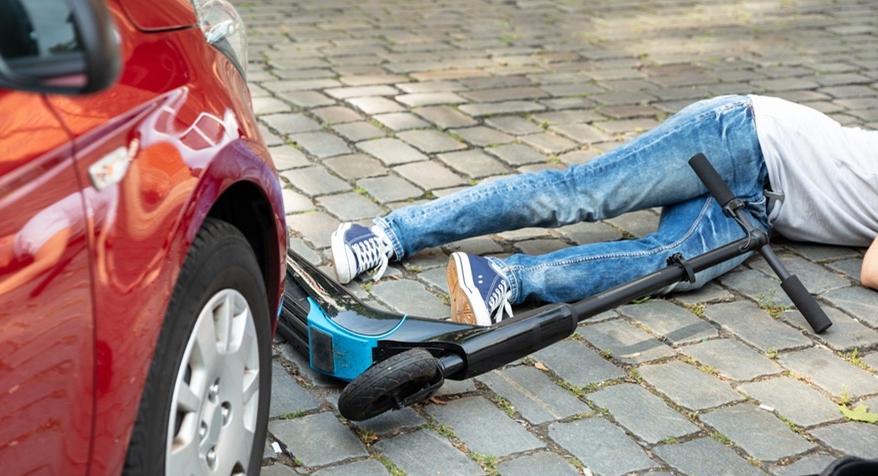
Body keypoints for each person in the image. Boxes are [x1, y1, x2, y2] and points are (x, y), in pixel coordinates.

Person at [330, 94, 878, 326]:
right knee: (580, 195)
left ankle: (502, 277)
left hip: (760, 206)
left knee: (677, 264)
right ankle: (390, 232)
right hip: (744, 136)